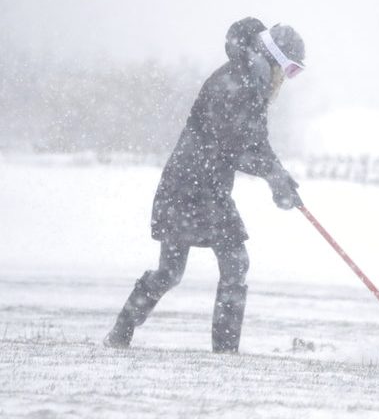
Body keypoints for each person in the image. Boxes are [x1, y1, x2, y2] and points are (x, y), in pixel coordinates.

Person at [104, 17, 306, 354]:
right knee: (229, 263)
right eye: (289, 69)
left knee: (174, 271)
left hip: (193, 184)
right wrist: (274, 179)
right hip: (196, 186)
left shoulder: (248, 81)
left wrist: (279, 177)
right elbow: (235, 147)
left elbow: (256, 142)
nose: (286, 79)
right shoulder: (238, 83)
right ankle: (223, 351)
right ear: (273, 57)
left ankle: (121, 332)